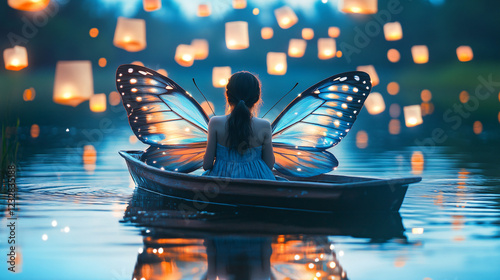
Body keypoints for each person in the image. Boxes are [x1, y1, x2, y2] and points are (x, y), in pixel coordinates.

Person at [203, 71, 276, 180]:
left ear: (228, 96)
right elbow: (269, 164)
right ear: (256, 98)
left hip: (221, 184)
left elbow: (207, 165)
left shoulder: (215, 123)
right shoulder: (264, 125)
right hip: (258, 183)